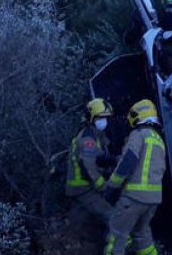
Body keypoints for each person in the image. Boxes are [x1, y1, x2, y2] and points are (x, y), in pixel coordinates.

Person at [103, 99, 166, 255]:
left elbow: (128, 161)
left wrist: (112, 186)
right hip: (153, 201)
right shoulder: (158, 140)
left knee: (116, 236)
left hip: (134, 198)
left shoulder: (138, 134)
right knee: (142, 237)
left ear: (138, 115)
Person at [64, 98, 115, 247]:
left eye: (106, 118)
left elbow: (98, 157)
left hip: (84, 188)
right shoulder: (88, 137)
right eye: (101, 118)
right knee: (111, 216)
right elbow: (88, 164)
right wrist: (102, 186)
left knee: (92, 226)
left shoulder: (94, 134)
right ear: (92, 118)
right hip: (82, 189)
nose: (104, 121)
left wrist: (114, 161)